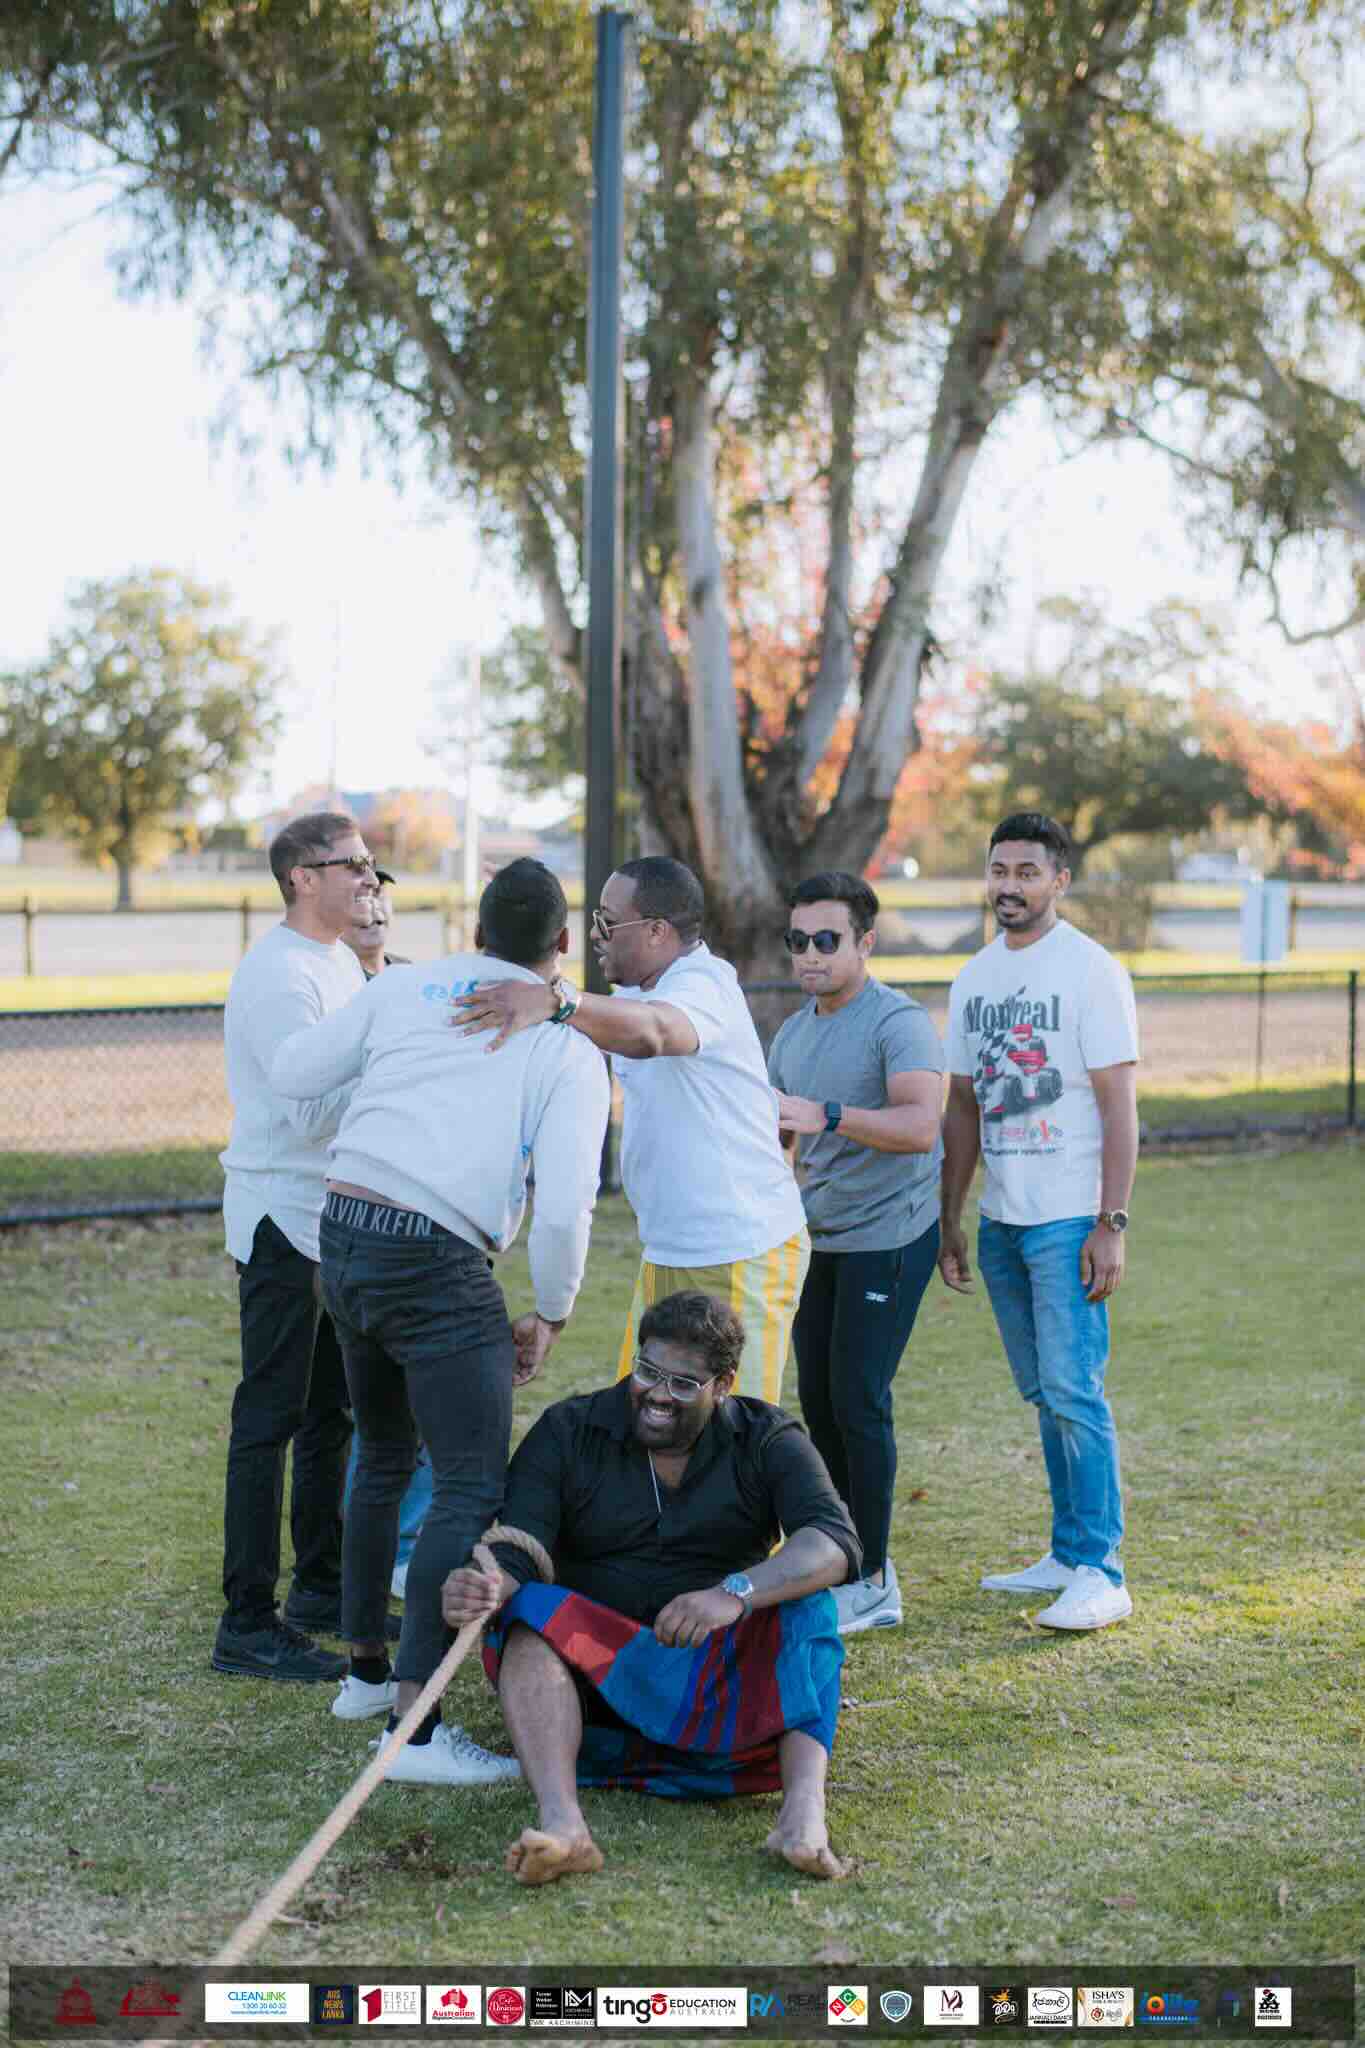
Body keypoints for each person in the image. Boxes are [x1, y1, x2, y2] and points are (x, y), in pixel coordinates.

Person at [271, 858, 611, 1783]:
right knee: (468, 1486)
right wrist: (549, 1311)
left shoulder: (409, 985)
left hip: (344, 1229)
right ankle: (412, 1734)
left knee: (381, 1458)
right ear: (563, 944)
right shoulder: (568, 1049)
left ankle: (367, 1676)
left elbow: (294, 1066)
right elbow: (568, 1201)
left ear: (474, 930)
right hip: (433, 1254)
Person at [440, 1290, 860, 1886]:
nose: (659, 1394)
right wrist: (487, 1585)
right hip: (597, 1679)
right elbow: (518, 1546)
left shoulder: (767, 1437)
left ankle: (801, 1816)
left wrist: (733, 1592)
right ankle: (564, 1827)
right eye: (648, 1372)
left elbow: (833, 1543)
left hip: (718, 1674)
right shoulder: (569, 1430)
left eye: (684, 1384)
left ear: (723, 1384)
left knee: (808, 1606)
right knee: (528, 1610)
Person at [451, 856, 810, 1402]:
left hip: (740, 1250)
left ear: (657, 931)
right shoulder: (633, 993)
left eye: (607, 922)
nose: (595, 935)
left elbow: (657, 1032)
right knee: (645, 1417)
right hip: (668, 1248)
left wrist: (556, 1000)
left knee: (734, 1441)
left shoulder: (703, 984)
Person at [938, 812, 1139, 1631]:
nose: (1008, 885)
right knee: (1043, 1393)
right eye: (998, 870)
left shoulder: (1090, 972)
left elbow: (1118, 1104)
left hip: (1067, 1219)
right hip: (1001, 1221)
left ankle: (1102, 1568)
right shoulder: (972, 979)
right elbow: (959, 1106)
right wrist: (950, 1216)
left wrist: (1111, 1221)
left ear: (1059, 880)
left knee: (1072, 1390)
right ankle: (1064, 1553)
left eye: (1026, 871)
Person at [213, 811, 381, 1683]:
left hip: (333, 1218)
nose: (368, 877)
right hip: (282, 1219)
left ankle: (320, 1587)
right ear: (299, 878)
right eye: (349, 864)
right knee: (269, 1420)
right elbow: (304, 1112)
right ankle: (245, 1623)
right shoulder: (281, 977)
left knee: (332, 1416)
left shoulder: (339, 963)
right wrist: (389, 1063)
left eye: (369, 863)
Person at [767, 872, 944, 1637]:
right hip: (820, 1236)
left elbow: (920, 1126)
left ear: (864, 942)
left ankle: (873, 1579)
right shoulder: (793, 1031)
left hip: (890, 1236)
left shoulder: (895, 1024)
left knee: (858, 1401)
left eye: (826, 940)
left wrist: (829, 1115)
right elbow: (780, 1132)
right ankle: (839, 1556)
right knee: (820, 1402)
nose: (809, 955)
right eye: (798, 940)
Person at [339, 868, 428, 1595]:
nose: (374, 906)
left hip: (425, 1205)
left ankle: (414, 1539)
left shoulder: (413, 984)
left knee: (426, 1392)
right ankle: (376, 1544)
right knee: (366, 1406)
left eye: (382, 895)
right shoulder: (332, 987)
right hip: (354, 1214)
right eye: (361, 894)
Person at [341, 870, 411, 980]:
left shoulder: (410, 972)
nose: (373, 904)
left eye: (378, 892)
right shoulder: (330, 983)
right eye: (359, 897)